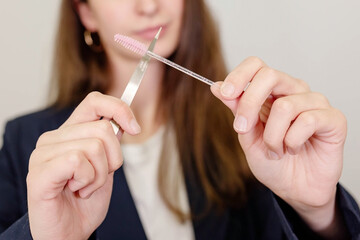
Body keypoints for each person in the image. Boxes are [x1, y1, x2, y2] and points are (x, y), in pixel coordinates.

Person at [0, 0, 359, 239]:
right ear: (86, 12)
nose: (150, 6)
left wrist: (320, 213)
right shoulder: (26, 144)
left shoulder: (251, 132)